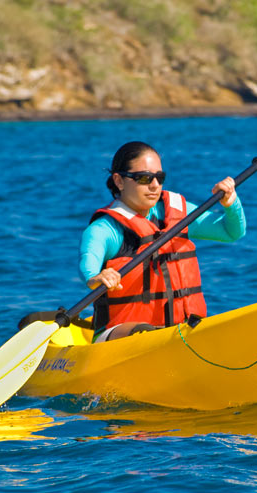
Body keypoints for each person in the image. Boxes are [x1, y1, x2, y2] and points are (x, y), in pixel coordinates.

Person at [79, 141, 246, 343]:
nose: (155, 185)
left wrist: (231, 203)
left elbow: (231, 232)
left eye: (160, 177)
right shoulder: (105, 229)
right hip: (119, 335)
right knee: (145, 333)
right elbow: (89, 260)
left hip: (176, 332)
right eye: (144, 178)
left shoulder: (176, 214)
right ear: (119, 181)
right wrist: (96, 277)